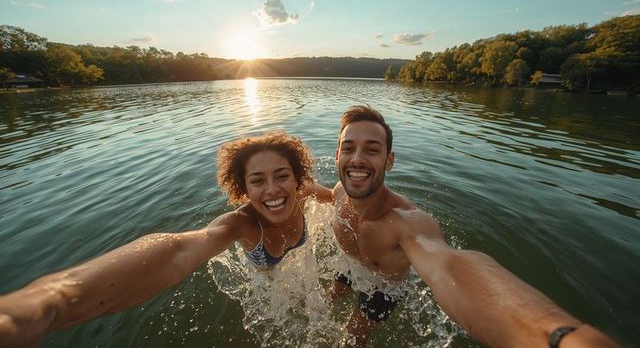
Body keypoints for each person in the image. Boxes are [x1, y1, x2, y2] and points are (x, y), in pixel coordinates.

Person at [0, 131, 332, 347]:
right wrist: (50, 302)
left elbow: (339, 201)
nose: (273, 190)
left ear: (297, 178)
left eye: (282, 176)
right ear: (243, 189)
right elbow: (179, 250)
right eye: (258, 181)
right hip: (270, 279)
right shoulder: (239, 225)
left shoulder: (304, 194)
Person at [328, 105, 618, 347]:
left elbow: (449, 265)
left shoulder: (408, 223)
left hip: (383, 287)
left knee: (351, 339)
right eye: (349, 148)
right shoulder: (339, 192)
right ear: (337, 156)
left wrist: (552, 335)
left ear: (389, 161)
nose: (357, 159)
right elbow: (318, 193)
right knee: (329, 300)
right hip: (352, 266)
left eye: (372, 150)